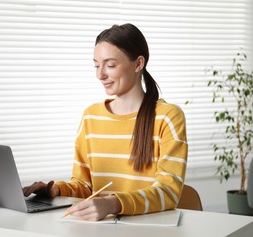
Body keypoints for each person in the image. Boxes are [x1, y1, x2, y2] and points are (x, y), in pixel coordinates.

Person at [23, 23, 188, 221]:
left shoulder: (168, 117)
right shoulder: (90, 117)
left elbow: (168, 192)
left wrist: (113, 203)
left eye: (110, 65)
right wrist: (56, 190)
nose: (100, 74)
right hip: (100, 228)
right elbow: (85, 187)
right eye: (96, 65)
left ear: (138, 64)